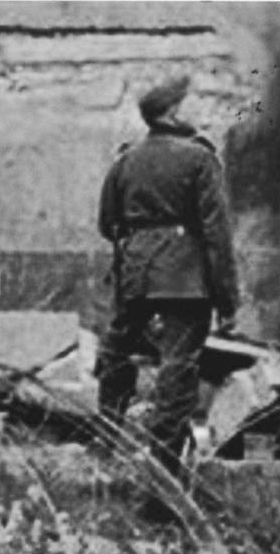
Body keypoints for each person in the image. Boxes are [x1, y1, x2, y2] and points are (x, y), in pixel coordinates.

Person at [95, 74, 236, 487]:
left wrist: (141, 243)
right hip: (185, 278)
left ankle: (105, 439)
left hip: (134, 272)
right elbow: (217, 234)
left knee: (117, 351)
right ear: (172, 112)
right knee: (178, 368)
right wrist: (227, 300)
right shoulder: (200, 159)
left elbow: (108, 223)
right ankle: (163, 473)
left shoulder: (126, 159)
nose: (202, 108)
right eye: (194, 101)